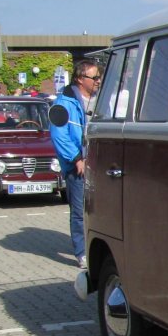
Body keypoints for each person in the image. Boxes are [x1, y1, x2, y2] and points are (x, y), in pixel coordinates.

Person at [51, 59, 100, 270]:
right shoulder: (63, 104)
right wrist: (77, 159)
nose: (98, 81)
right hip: (77, 166)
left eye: (99, 77)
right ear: (80, 79)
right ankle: (82, 253)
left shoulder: (102, 99)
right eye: (94, 77)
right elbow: (59, 135)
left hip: (101, 164)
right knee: (80, 211)